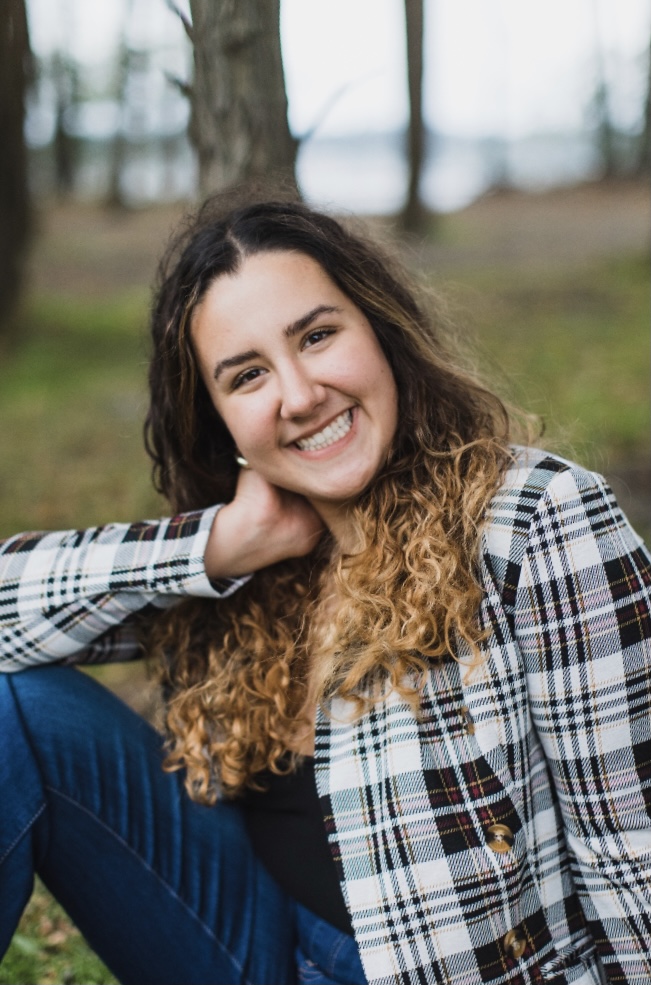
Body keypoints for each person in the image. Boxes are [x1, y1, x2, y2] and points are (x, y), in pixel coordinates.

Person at [1, 199, 650, 985]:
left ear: (379, 329)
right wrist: (219, 545)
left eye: (315, 336)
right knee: (15, 715)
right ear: (219, 421)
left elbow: (632, 851)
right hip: (255, 942)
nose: (300, 394)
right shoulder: (249, 563)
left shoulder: (534, 520)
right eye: (247, 375)